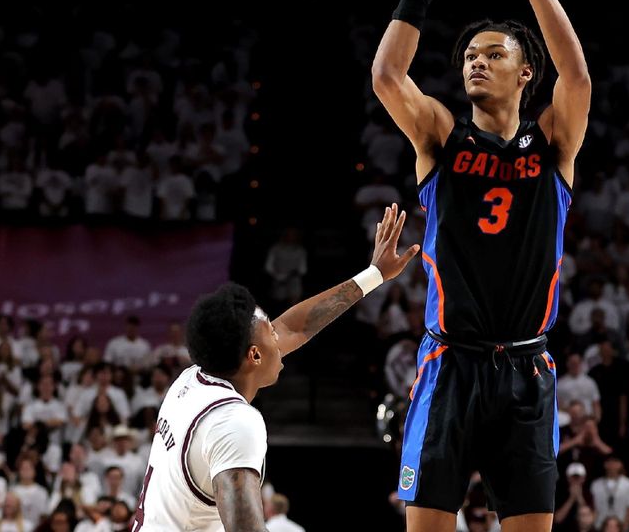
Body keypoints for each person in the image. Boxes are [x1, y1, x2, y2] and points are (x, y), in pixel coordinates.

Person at [371, 0, 591, 528]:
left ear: (525, 74)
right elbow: (388, 75)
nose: (476, 60)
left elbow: (576, 74)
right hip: (450, 365)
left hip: (527, 370)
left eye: (494, 54)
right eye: (470, 54)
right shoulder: (441, 135)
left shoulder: (552, 143)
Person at [132, 204, 419, 532]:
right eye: (270, 329)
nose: (278, 332)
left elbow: (296, 327)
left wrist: (374, 274)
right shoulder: (234, 422)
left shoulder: (193, 379)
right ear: (254, 356)